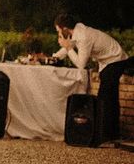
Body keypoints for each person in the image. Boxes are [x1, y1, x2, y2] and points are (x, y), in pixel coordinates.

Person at [53, 13, 134, 144]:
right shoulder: (77, 32)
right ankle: (111, 133)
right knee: (107, 97)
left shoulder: (84, 37)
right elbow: (69, 46)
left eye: (58, 30)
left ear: (65, 28)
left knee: (105, 98)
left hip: (116, 60)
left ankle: (108, 134)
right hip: (109, 62)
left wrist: (68, 48)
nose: (58, 33)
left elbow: (81, 64)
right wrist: (55, 57)